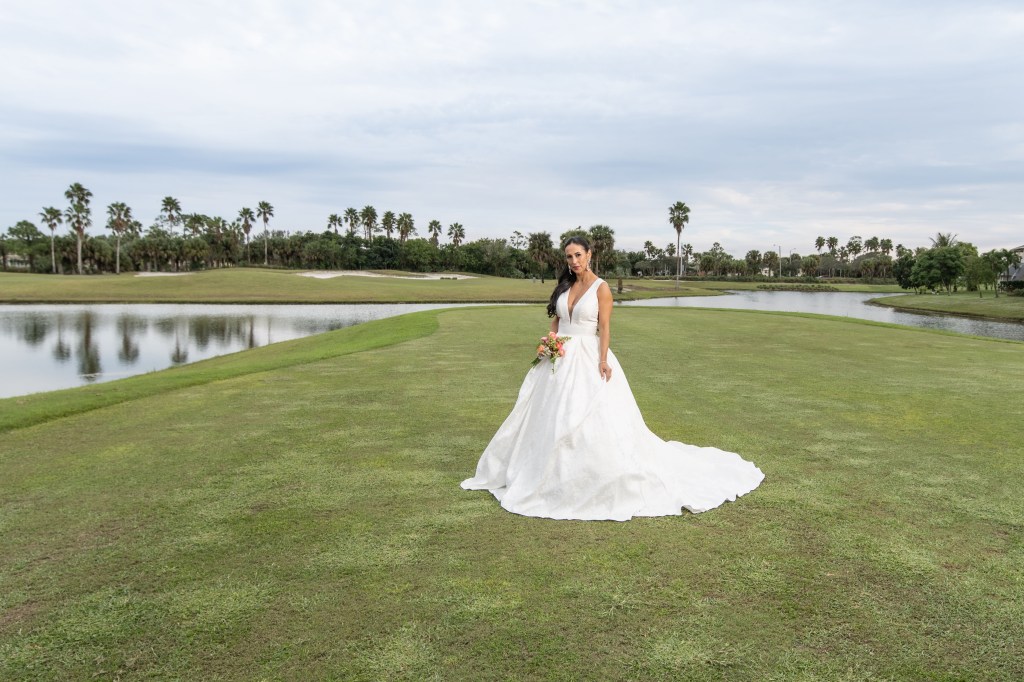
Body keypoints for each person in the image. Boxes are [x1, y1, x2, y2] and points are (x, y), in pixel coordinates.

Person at [461, 236, 764, 521]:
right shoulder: (565, 285)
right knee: (547, 414)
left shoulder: (601, 288)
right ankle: (540, 470)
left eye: (578, 255)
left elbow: (604, 328)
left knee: (587, 415)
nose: (574, 261)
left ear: (589, 255)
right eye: (569, 257)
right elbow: (556, 321)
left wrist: (603, 360)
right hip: (558, 357)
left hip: (586, 356)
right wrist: (549, 344)